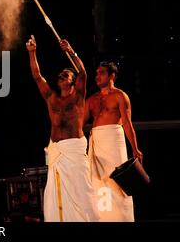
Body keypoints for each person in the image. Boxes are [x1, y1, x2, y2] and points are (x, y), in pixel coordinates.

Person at [26, 35, 99, 222]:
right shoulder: (52, 98)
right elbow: (36, 76)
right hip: (57, 151)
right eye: (60, 75)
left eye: (65, 75)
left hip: (74, 150)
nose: (61, 76)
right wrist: (32, 52)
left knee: (83, 193)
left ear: (73, 81)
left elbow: (83, 72)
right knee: (55, 194)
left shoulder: (79, 96)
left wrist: (71, 51)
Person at [84, 61, 143, 221]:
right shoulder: (92, 99)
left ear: (112, 76)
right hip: (97, 141)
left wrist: (135, 148)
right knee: (98, 182)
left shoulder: (120, 96)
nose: (97, 76)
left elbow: (127, 123)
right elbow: (78, 123)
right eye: (96, 73)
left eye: (101, 73)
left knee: (117, 182)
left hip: (113, 140)